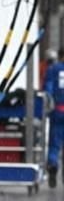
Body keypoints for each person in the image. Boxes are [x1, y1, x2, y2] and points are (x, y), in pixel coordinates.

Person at [43, 49, 64, 187]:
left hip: (58, 110)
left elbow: (48, 90)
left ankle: (53, 164)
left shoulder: (53, 69)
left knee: (54, 143)